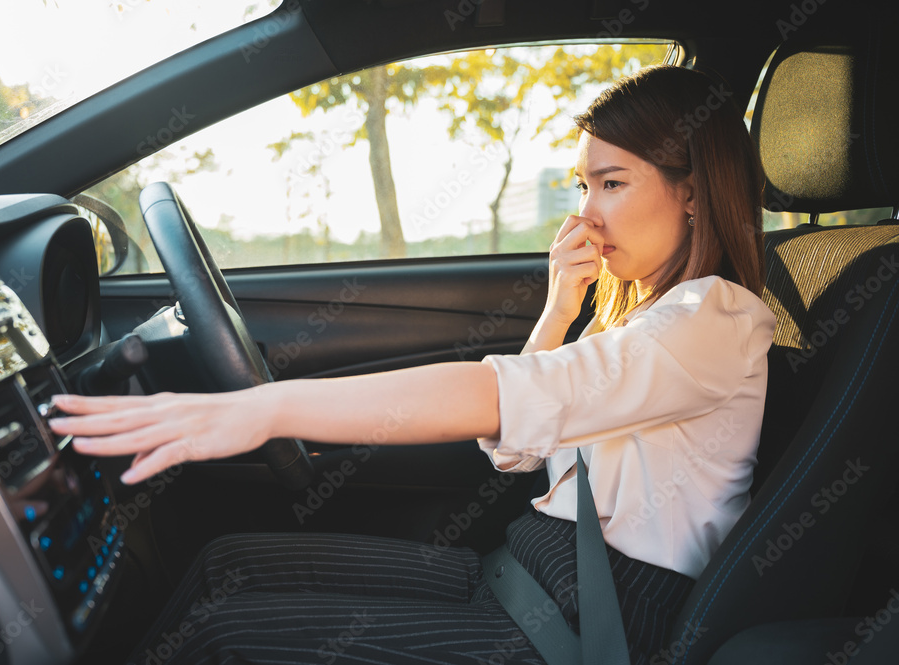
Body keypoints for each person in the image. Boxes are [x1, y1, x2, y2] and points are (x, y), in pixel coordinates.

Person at [50, 64, 775, 665]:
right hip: (528, 574)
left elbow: (502, 396)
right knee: (225, 562)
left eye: (611, 183)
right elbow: (517, 451)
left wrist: (264, 407)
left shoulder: (714, 317)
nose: (586, 214)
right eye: (582, 186)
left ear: (689, 191)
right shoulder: (640, 316)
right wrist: (559, 309)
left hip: (593, 624)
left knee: (220, 639)